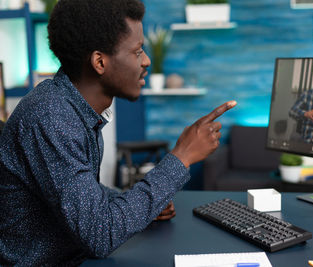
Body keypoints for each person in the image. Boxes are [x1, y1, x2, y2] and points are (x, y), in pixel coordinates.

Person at [0, 0, 236, 265]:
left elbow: (79, 195)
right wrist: (182, 155)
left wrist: (138, 206)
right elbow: (100, 235)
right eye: (137, 52)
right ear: (100, 61)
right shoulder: (52, 117)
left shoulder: (73, 109)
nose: (146, 60)